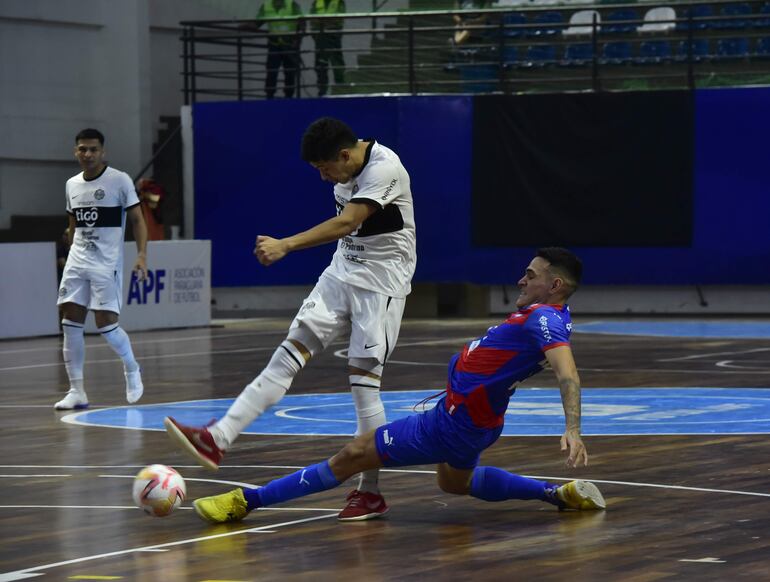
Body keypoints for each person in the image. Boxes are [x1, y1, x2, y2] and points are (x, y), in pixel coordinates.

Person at [192, 248, 607, 525]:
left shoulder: (546, 320)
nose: (521, 279)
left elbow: (567, 373)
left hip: (452, 425)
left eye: (531, 276)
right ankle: (556, 494)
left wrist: (572, 428)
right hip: (474, 420)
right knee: (454, 484)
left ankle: (245, 502)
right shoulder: (542, 315)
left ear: (555, 286)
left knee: (353, 454)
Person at [165, 117, 417, 521]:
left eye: (325, 168)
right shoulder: (345, 168)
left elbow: (347, 223)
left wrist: (286, 244)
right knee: (288, 353)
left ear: (345, 154)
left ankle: (369, 492)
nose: (323, 177)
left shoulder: (385, 166)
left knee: (364, 388)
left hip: (381, 285)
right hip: (342, 273)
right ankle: (218, 437)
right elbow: (348, 233)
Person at [54, 128, 148, 410]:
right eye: (83, 149)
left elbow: (138, 221)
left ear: (102, 152)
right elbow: (73, 220)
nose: (88, 154)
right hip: (77, 262)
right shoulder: (71, 184)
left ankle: (132, 368)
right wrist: (70, 245)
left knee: (106, 326)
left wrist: (142, 255)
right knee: (69, 323)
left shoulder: (119, 180)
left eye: (93, 149)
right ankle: (77, 391)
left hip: (106, 264)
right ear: (76, 152)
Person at [256, 0, 305, 99]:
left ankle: (288, 97)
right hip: (274, 45)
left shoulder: (292, 5)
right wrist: (245, 26)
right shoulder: (266, 6)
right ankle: (270, 97)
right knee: (272, 72)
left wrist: (297, 40)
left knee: (290, 73)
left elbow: (302, 23)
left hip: (289, 45)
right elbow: (257, 23)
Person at [310, 0, 346, 97]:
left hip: (333, 38)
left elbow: (338, 21)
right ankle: (323, 91)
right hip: (320, 38)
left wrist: (321, 24)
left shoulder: (338, 2)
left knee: (335, 63)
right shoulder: (317, 2)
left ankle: (339, 89)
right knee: (321, 65)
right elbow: (312, 21)